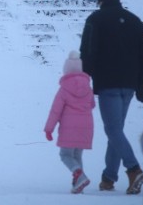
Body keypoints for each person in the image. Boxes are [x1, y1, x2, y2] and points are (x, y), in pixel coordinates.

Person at [79, 0, 143, 195]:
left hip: (108, 82)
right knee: (116, 128)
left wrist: (85, 78)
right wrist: (142, 85)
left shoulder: (95, 20)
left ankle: (134, 169)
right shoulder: (133, 20)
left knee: (112, 129)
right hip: (129, 84)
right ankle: (109, 178)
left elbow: (87, 51)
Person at [44, 51, 95, 194]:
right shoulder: (88, 87)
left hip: (69, 127)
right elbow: (91, 105)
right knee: (77, 155)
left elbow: (55, 111)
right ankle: (79, 183)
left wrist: (49, 129)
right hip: (86, 126)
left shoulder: (64, 89)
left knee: (65, 155)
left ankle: (79, 174)